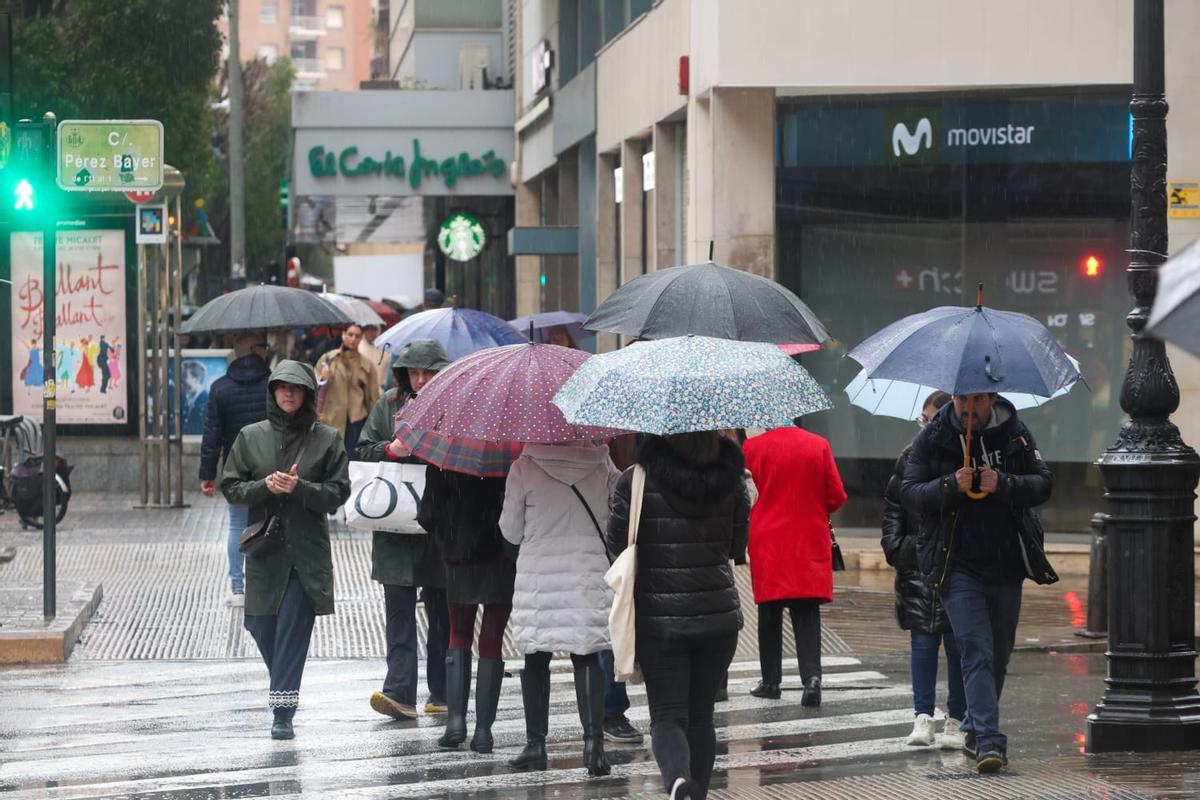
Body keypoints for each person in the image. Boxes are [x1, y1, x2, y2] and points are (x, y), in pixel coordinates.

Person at [901, 392, 1053, 773]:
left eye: (977, 400)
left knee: (998, 653)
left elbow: (1042, 483)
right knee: (976, 649)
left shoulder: (1014, 433)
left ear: (990, 398)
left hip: (1005, 563)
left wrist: (1002, 483)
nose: (968, 408)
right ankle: (989, 738)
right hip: (958, 564)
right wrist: (951, 484)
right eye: (961, 399)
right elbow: (910, 493)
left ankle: (972, 724)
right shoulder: (932, 437)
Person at [607, 432, 749, 800]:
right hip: (719, 619)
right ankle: (695, 792)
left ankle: (678, 782)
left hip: (661, 621)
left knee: (668, 716)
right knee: (702, 717)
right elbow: (737, 547)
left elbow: (618, 547)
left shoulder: (636, 479)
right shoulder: (733, 479)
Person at [220, 360, 351, 740]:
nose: (288, 394)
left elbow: (338, 493)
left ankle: (282, 712)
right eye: (281, 387)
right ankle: (285, 686)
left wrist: (301, 489)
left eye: (296, 388)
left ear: (308, 393)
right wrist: (266, 486)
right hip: (264, 550)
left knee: (293, 628)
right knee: (259, 624)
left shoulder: (327, 439)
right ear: (272, 392)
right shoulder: (250, 436)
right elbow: (231, 486)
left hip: (305, 554)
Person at [501, 442, 618, 777]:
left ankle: (536, 745)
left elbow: (510, 530)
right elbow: (617, 506)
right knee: (586, 655)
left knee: (536, 658)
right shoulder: (600, 461)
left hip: (540, 576)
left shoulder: (524, 467)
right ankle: (594, 745)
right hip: (587, 570)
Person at [357, 340, 452, 720]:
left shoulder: (453, 405)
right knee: (398, 609)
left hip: (438, 525)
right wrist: (390, 450)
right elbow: (363, 449)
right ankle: (399, 691)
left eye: (428, 372)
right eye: (414, 372)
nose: (421, 379)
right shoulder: (389, 405)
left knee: (442, 611)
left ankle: (443, 691)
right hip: (394, 524)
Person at [881, 391, 966, 748]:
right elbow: (894, 506)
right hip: (917, 562)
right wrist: (897, 547)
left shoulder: (964, 456)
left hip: (956, 562)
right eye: (924, 419)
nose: (928, 426)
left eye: (934, 419)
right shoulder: (910, 456)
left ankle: (958, 719)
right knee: (923, 640)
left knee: (958, 643)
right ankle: (922, 716)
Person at [742, 424, 846, 706]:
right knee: (806, 611)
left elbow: (745, 495)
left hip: (768, 540)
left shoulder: (752, 448)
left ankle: (771, 681)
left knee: (769, 612)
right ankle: (812, 679)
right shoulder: (819, 444)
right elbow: (836, 495)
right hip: (808, 538)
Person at [418, 463, 514, 754]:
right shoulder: (512, 457)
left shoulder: (446, 457)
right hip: (501, 555)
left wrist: (450, 532)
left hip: (459, 557)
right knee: (492, 639)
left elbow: (427, 515)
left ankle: (456, 724)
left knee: (458, 634)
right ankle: (483, 732)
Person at [200, 334, 273, 605]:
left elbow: (212, 436)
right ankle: (263, 583)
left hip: (236, 467)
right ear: (254, 349)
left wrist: (207, 475)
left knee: (237, 526)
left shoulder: (220, 388)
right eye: (264, 347)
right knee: (269, 523)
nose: (268, 351)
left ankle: (238, 588)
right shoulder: (272, 385)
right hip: (269, 466)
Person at [316, 324, 381, 456]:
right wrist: (322, 377)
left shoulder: (367, 365)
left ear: (361, 338)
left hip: (355, 419)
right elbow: (314, 383)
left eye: (357, 336)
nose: (353, 339)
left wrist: (374, 424)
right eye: (350, 334)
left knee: (352, 459)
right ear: (343, 334)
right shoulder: (329, 358)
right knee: (330, 456)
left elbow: (373, 397)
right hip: (331, 417)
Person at [358, 323, 392, 392]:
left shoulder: (385, 348)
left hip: (381, 391)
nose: (370, 332)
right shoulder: (358, 347)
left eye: (374, 329)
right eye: (368, 329)